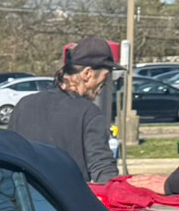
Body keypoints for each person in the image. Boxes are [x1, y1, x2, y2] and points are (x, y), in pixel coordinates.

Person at [8, 36, 118, 182]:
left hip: (26, 200)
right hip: (67, 202)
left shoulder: (24, 104)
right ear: (88, 73)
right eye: (105, 77)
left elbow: (8, 158)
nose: (104, 85)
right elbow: (103, 170)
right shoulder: (89, 113)